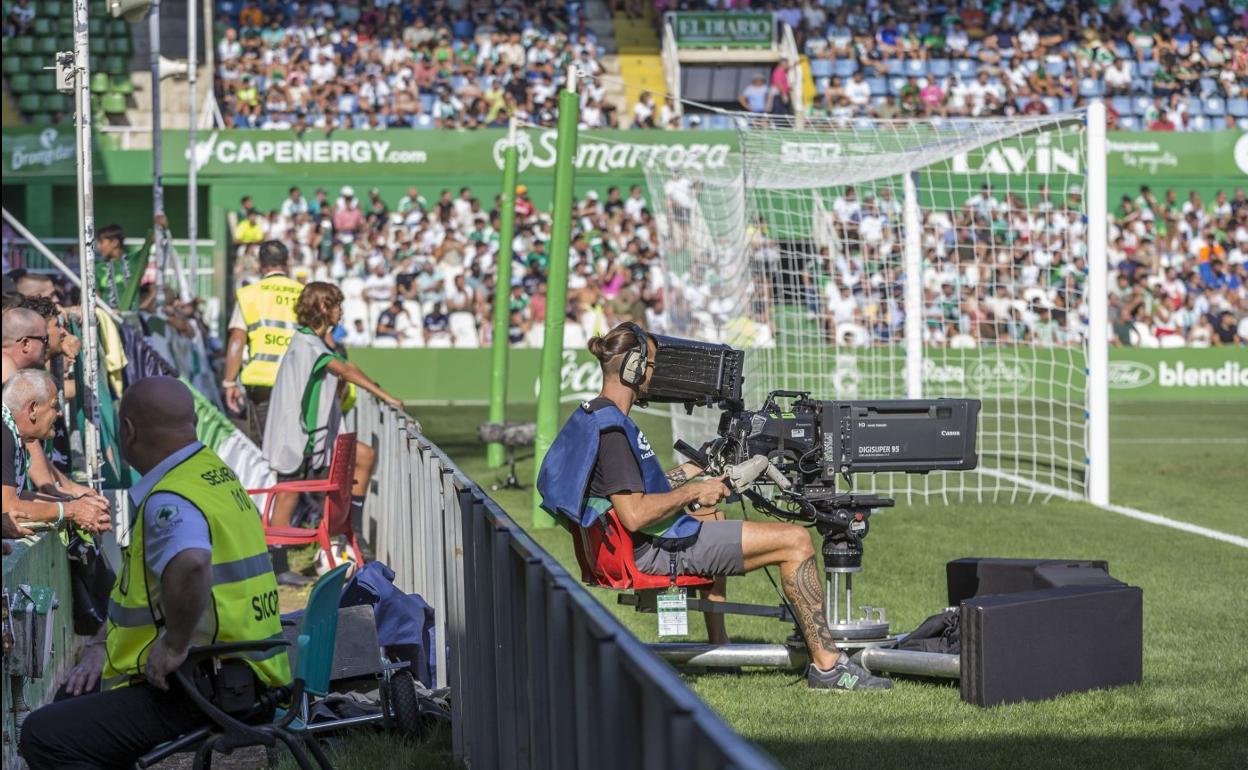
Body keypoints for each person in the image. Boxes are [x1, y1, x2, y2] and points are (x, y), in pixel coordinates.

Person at [537, 324, 892, 691]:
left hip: (643, 544)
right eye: (653, 365)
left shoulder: (596, 416)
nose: (654, 375)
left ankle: (719, 651)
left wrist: (693, 470)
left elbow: (635, 491)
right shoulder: (614, 432)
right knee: (796, 540)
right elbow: (636, 513)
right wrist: (695, 492)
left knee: (715, 515)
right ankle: (828, 666)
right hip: (655, 552)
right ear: (634, 367)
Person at [19, 377, 292, 769]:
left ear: (128, 431)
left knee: (43, 735)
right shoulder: (214, 474)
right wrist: (99, 647)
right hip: (241, 679)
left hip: (198, 690)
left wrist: (174, 645)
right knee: (70, 704)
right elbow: (142, 594)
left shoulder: (170, 499)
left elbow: (192, 563)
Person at [261, 283, 404, 584]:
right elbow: (346, 371)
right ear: (324, 308)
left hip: (313, 438)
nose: (342, 311)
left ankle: (351, 536)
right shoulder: (308, 344)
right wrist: (387, 396)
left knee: (362, 456)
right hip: (295, 437)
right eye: (337, 305)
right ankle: (277, 566)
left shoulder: (314, 341)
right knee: (287, 493)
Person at [3, 369, 112, 534]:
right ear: (33, 409)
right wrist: (71, 510)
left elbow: (16, 496)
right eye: (55, 405)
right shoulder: (4, 434)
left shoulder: (11, 432)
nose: (59, 412)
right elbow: (9, 510)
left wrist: (73, 503)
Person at [222, 240, 304, 443]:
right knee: (296, 445)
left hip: (262, 383)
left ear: (259, 265)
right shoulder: (305, 294)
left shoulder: (249, 294)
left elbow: (237, 339)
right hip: (299, 381)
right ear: (287, 263)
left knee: (265, 446)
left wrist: (230, 382)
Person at [95, 217, 161, 311]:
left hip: (131, 321)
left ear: (114, 242)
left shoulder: (135, 260)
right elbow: (95, 300)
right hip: (107, 322)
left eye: (101, 242)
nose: (98, 246)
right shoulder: (98, 268)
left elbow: (153, 239)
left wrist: (160, 224)